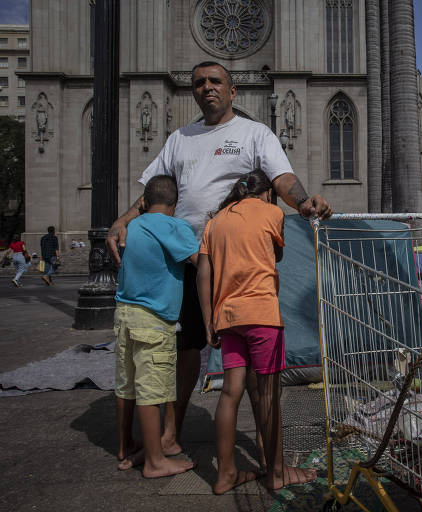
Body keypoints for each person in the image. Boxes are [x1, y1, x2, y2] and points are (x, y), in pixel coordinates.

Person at [106, 61, 333, 457]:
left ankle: (267, 450)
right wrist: (122, 222)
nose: (206, 87)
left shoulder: (254, 133)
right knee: (188, 347)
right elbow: (153, 191)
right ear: (193, 92)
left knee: (256, 364)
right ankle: (172, 433)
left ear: (232, 92)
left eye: (215, 81)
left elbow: (281, 178)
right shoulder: (180, 138)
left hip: (238, 266)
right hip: (188, 260)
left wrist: (303, 201)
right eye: (199, 83)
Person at [198, 171, 316, 493]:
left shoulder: (215, 222)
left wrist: (209, 320)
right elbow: (275, 254)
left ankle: (225, 475)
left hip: (228, 317)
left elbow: (204, 274)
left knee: (230, 392)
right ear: (267, 194)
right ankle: (276, 473)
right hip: (262, 315)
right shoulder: (272, 213)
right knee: (268, 394)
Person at [113, 175, 199, 478]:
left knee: (127, 383)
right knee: (152, 391)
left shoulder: (134, 225)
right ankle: (155, 461)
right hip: (153, 319)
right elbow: (199, 259)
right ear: (174, 206)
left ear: (145, 203)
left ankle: (126, 445)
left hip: (124, 314)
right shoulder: (175, 226)